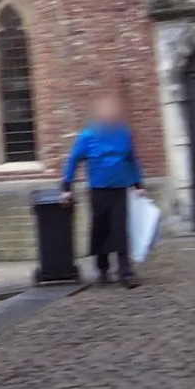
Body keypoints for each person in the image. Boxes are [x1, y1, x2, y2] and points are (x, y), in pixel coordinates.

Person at [60, 92, 147, 287]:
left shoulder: (124, 133)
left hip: (119, 189)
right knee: (101, 230)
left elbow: (132, 159)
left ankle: (126, 272)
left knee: (120, 229)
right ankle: (102, 267)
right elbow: (73, 160)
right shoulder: (88, 136)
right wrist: (67, 186)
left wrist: (138, 184)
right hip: (98, 190)